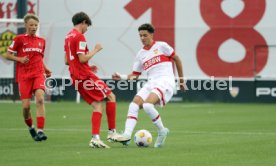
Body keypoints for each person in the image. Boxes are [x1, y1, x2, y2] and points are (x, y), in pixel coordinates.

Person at [111, 23, 185, 148]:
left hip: (165, 81)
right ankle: (127, 135)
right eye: (140, 36)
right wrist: (122, 77)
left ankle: (162, 131)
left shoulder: (162, 46)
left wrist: (181, 80)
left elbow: (177, 58)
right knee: (134, 105)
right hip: (152, 82)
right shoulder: (140, 54)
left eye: (145, 35)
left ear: (151, 34)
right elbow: (135, 75)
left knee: (147, 105)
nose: (142, 38)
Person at [64, 11, 119, 148]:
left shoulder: (68, 36)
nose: (87, 29)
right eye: (87, 26)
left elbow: (67, 60)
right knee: (111, 96)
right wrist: (96, 49)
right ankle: (112, 133)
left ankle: (95, 138)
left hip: (76, 77)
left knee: (97, 105)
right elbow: (82, 58)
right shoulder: (80, 37)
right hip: (84, 76)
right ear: (83, 22)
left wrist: (88, 66)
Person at [4, 14, 51, 141]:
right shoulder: (19, 39)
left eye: (36, 25)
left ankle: (41, 131)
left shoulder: (42, 41)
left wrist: (46, 69)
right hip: (24, 76)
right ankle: (31, 128)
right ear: (26, 25)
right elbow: (7, 55)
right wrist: (19, 58)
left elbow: (40, 57)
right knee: (26, 107)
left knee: (40, 99)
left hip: (38, 73)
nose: (34, 27)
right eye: (31, 25)